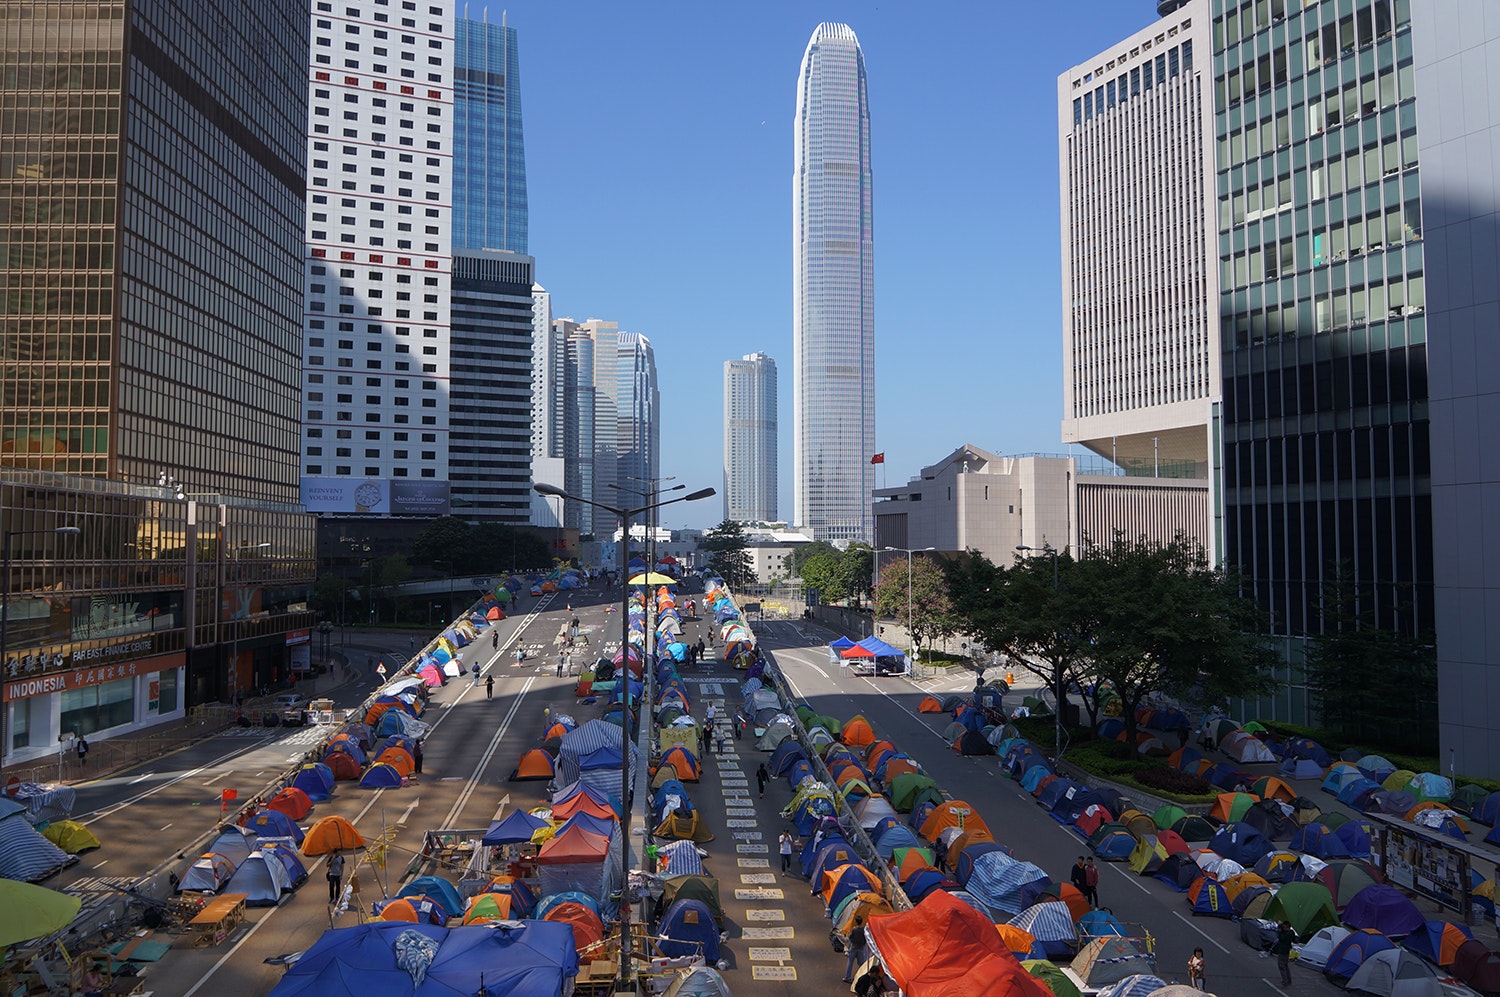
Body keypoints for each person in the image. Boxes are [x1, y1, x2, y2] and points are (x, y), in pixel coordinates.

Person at [1272, 921, 1295, 986]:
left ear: (1287, 927)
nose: (1283, 928)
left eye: (1284, 927)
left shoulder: (1287, 934)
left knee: (1282, 966)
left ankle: (1285, 982)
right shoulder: (1291, 932)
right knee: (1285, 965)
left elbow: (1281, 938)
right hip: (1286, 951)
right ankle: (1288, 980)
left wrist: (1279, 931)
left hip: (1283, 951)